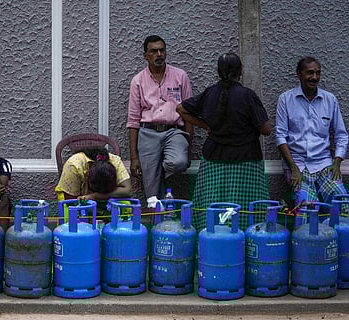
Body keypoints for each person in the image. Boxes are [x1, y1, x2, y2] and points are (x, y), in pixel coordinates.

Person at [176, 52, 271, 231]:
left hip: (214, 159)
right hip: (246, 160)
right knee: (246, 206)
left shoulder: (210, 93)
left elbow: (180, 108)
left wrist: (205, 125)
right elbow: (266, 130)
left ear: (218, 72)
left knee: (213, 202)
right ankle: (248, 238)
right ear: (240, 72)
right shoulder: (248, 96)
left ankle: (211, 237)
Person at [275, 56, 348, 224]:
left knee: (342, 203)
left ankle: (336, 246)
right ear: (299, 75)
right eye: (310, 73)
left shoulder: (330, 100)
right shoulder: (286, 99)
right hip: (298, 165)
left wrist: (337, 163)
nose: (314, 77)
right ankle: (307, 248)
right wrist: (293, 168)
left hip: (324, 164)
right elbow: (280, 136)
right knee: (307, 207)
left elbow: (341, 134)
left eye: (317, 73)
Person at [126, 35, 193, 203]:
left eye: (162, 50)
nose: (159, 54)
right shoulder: (138, 81)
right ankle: (159, 223)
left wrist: (189, 147)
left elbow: (189, 114)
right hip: (148, 132)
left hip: (174, 132)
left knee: (178, 162)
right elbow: (133, 120)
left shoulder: (180, 76)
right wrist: (134, 158)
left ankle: (158, 172)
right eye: (154, 51)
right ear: (145, 56)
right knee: (152, 193)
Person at [55, 147, 131, 203]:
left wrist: (95, 196)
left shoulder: (115, 161)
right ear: (88, 175)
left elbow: (127, 191)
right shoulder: (74, 166)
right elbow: (70, 203)